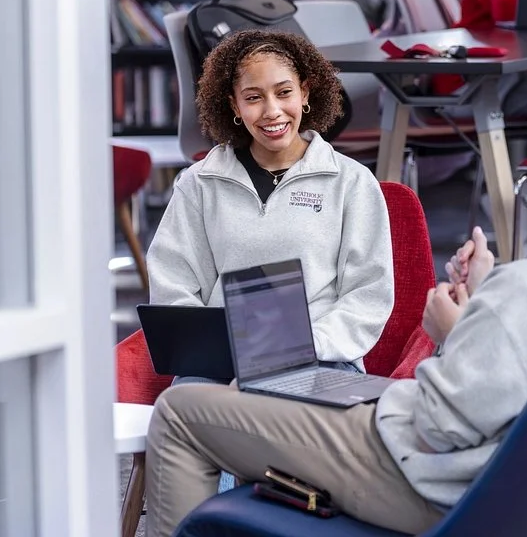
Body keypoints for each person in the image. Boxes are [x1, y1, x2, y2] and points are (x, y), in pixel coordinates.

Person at [143, 78, 527, 537]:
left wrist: (452, 330)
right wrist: (484, 306)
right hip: (509, 492)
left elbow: (440, 425)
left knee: (181, 410)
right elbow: (521, 364)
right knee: (294, 390)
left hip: (411, 472)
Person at [147, 30, 394, 374]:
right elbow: (173, 285)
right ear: (234, 104)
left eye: (284, 92)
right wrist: (214, 346)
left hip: (319, 359)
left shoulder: (351, 182)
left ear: (305, 92)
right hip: (221, 363)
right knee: (179, 417)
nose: (272, 111)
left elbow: (367, 295)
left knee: (284, 424)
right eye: (253, 98)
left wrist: (306, 343)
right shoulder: (198, 184)